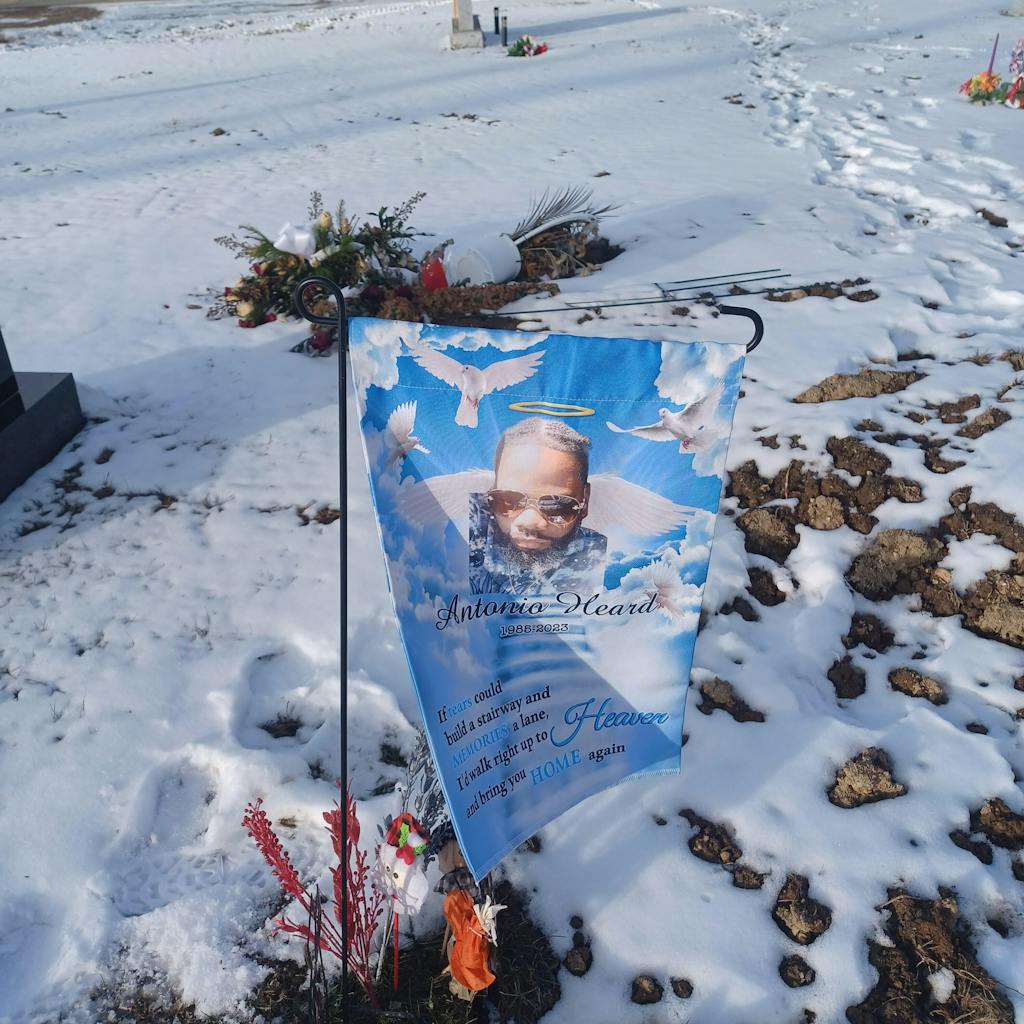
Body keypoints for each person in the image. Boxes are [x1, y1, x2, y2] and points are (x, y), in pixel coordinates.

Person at [468, 417, 607, 595]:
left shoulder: (601, 557)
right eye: (508, 500)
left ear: (584, 501)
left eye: (556, 505)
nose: (530, 522)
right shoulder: (467, 526)